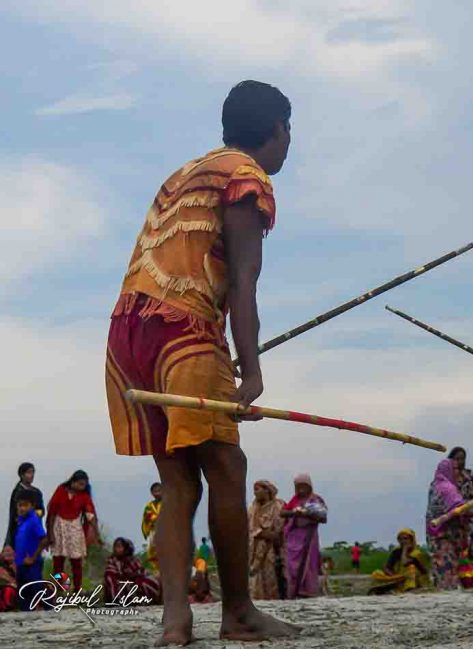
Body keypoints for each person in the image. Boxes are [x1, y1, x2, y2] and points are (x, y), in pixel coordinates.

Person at [103, 80, 297, 644]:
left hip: (127, 334)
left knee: (179, 481)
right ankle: (238, 613)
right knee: (227, 468)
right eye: (290, 132)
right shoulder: (247, 176)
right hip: (181, 329)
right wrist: (252, 369)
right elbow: (243, 279)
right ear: (278, 129)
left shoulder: (185, 173)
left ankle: (175, 622)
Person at [425, 457, 473, 590]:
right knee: (448, 563)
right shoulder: (447, 488)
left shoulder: (435, 485)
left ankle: (444, 588)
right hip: (445, 532)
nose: (458, 472)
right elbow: (459, 509)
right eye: (455, 469)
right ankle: (448, 589)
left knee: (442, 562)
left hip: (435, 532)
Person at [46, 470, 96, 592]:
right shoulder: (61, 490)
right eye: (79, 484)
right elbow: (52, 512)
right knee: (58, 562)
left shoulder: (84, 495)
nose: (81, 487)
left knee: (76, 562)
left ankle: (77, 590)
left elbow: (90, 515)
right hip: (59, 526)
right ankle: (60, 589)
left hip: (74, 528)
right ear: (73, 482)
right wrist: (50, 533)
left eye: (83, 485)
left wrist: (95, 532)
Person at [281, 474, 328, 599]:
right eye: (298, 486)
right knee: (291, 565)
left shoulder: (315, 500)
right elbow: (283, 512)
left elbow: (323, 518)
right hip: (293, 537)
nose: (301, 489)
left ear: (309, 487)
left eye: (303, 486)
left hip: (308, 536)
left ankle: (307, 591)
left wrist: (308, 514)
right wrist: (296, 512)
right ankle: (293, 591)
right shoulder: (295, 500)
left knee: (308, 563)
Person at [448, 447, 473, 588]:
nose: (460, 461)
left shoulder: (469, 476)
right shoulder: (446, 477)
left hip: (470, 518)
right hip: (453, 520)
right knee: (456, 551)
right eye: (457, 458)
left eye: (462, 458)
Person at [248, 480, 284, 600]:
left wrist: (270, 535)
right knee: (255, 581)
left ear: (266, 490)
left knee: (272, 578)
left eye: (257, 489)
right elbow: (249, 529)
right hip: (254, 550)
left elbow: (280, 529)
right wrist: (260, 533)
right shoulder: (252, 509)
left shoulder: (278, 506)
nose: (255, 493)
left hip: (273, 549)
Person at [369, 529, 430, 595]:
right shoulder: (396, 552)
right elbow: (387, 566)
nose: (403, 541)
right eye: (400, 539)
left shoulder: (417, 553)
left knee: (411, 568)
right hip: (399, 577)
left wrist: (405, 550)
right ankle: (391, 588)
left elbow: (404, 562)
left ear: (411, 540)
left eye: (405, 539)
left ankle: (409, 589)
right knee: (377, 573)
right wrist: (393, 576)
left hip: (415, 579)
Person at [13, 495, 47, 611]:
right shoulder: (21, 522)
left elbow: (43, 539)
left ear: (31, 506)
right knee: (23, 597)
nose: (22, 508)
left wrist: (33, 557)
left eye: (25, 505)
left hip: (32, 564)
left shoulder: (34, 520)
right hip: (21, 564)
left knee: (35, 592)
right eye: (20, 505)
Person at [104, 537, 161, 605]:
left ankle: (146, 600)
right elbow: (110, 574)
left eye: (120, 547)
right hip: (120, 584)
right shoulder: (112, 560)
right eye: (116, 547)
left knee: (147, 582)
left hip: (133, 581)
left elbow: (140, 571)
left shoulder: (133, 560)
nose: (118, 549)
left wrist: (134, 576)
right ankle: (116, 600)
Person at [5, 462, 44, 552]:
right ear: (22, 475)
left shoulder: (36, 492)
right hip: (19, 526)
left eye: (33, 472)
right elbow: (14, 512)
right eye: (29, 472)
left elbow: (41, 510)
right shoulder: (17, 491)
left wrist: (35, 515)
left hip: (34, 525)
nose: (32, 475)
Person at [141, 482, 162, 573]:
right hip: (154, 530)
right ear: (152, 493)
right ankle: (156, 570)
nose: (157, 493)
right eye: (155, 491)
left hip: (168, 530)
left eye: (159, 490)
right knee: (153, 550)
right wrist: (156, 517)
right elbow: (147, 516)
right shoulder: (149, 506)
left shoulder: (168, 503)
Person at [0, 547, 16, 612]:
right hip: (5, 589)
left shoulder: (17, 565)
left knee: (9, 590)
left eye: (10, 552)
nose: (8, 552)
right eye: (6, 551)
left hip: (15, 589)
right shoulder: (1, 568)